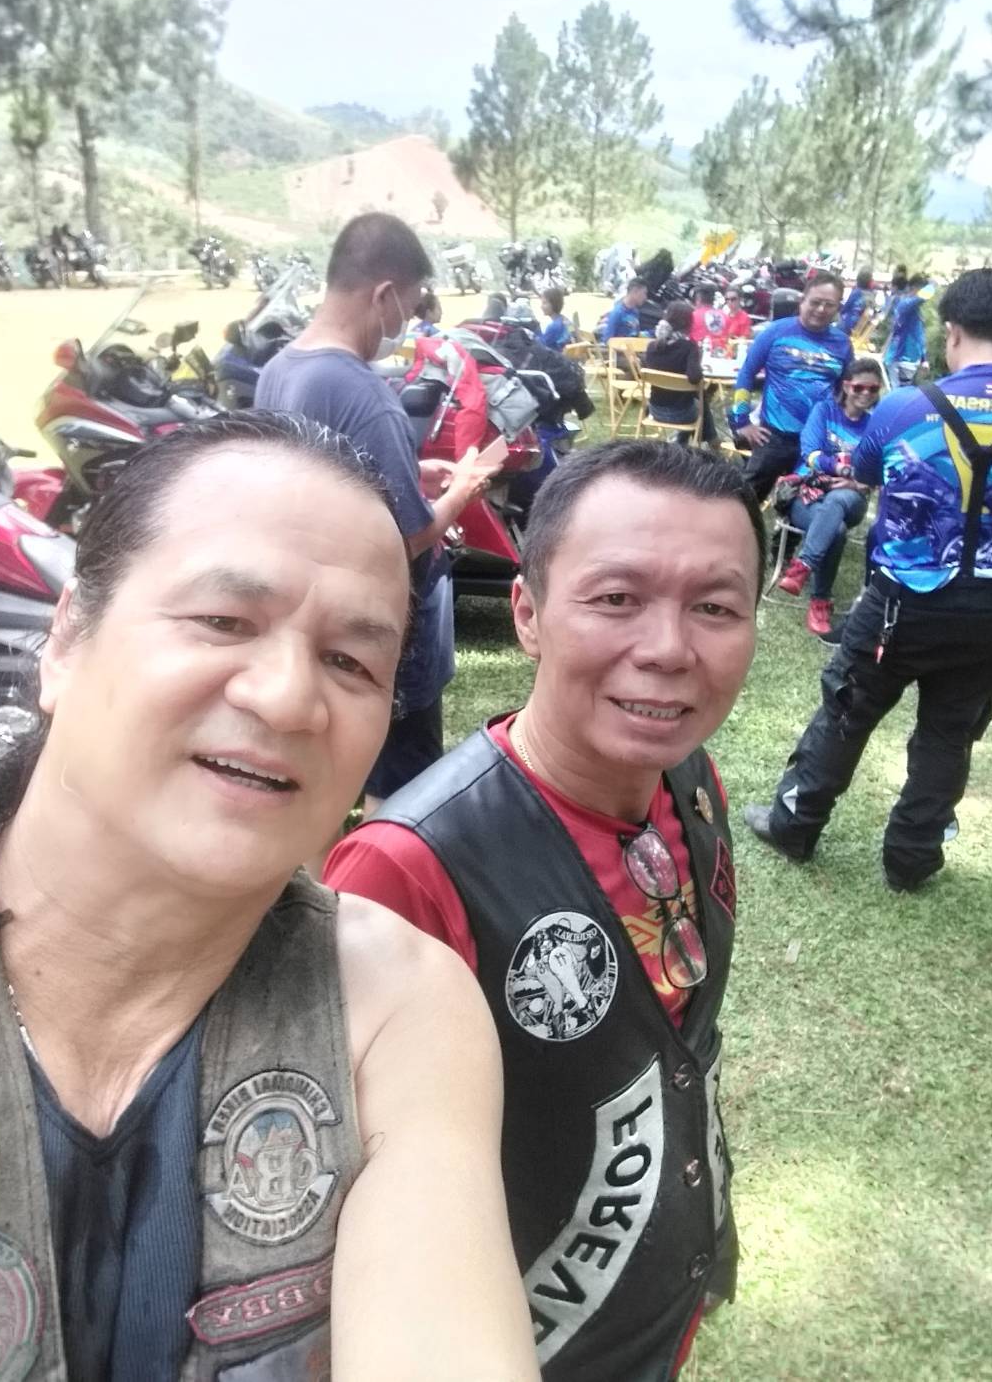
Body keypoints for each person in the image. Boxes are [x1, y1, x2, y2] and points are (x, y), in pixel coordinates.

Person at [0, 412, 539, 1382]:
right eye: (222, 620)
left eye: (350, 661)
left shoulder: (391, 1007)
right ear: (66, 638)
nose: (287, 697)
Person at [325, 441, 768, 1381]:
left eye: (715, 607)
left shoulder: (689, 780)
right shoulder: (407, 868)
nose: (668, 648)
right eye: (617, 598)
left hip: (652, 1294)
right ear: (527, 613)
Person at [745, 266, 992, 891]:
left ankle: (795, 825)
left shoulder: (904, 407)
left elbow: (864, 473)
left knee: (847, 709)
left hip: (901, 604)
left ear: (952, 332)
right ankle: (911, 860)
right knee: (950, 732)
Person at [255, 212, 499, 810]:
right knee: (400, 785)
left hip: (314, 604)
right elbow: (407, 537)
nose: (406, 323)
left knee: (326, 765)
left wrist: (412, 471)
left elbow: (326, 474)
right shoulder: (366, 396)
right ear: (384, 295)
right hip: (386, 621)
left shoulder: (280, 370)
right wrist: (462, 491)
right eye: (410, 308)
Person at [774, 356, 882, 635]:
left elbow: (878, 472)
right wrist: (845, 471)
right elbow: (810, 453)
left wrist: (855, 483)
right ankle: (820, 600)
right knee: (836, 530)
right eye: (859, 387)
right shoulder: (823, 411)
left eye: (873, 389)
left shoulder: (875, 425)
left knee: (838, 500)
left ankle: (803, 566)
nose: (866, 394)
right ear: (846, 386)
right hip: (808, 493)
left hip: (852, 498)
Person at [728, 271, 853, 500]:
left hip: (816, 441)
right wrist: (742, 422)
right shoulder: (775, 332)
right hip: (773, 436)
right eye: (815, 302)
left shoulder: (843, 344)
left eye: (829, 305)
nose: (821, 310)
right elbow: (746, 374)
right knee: (747, 501)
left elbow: (846, 391)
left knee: (804, 503)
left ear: (838, 307)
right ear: (802, 300)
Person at [643, 299, 719, 444]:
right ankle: (710, 440)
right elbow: (695, 378)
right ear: (687, 323)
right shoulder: (688, 347)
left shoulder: (652, 346)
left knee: (699, 401)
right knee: (701, 402)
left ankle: (684, 442)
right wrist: (697, 362)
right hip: (682, 413)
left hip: (655, 410)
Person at [884, 272, 933, 386]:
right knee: (900, 393)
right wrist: (932, 285)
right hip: (902, 359)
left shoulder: (914, 310)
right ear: (914, 288)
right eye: (922, 289)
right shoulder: (906, 305)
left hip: (910, 360)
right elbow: (924, 296)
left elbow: (919, 336)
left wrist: (924, 359)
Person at [600, 276, 649, 341]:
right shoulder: (617, 313)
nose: (645, 297)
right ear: (635, 291)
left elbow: (636, 335)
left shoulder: (635, 312)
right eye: (644, 293)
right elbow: (607, 340)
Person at [689, 284, 726, 352]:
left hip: (698, 353)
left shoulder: (693, 316)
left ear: (698, 299)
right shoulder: (724, 315)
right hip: (721, 353)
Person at [840, 268, 874, 335]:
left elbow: (846, 307)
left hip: (851, 324)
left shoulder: (856, 292)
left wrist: (841, 311)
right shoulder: (872, 294)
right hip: (863, 326)